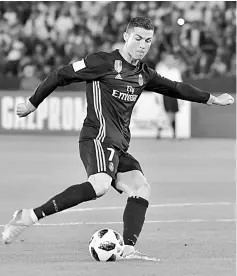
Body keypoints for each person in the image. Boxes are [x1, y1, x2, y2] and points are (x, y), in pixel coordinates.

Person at [2, 17, 234, 261]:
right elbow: (60, 75)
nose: (143, 45)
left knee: (141, 189)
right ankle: (28, 217)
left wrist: (211, 99)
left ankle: (129, 249)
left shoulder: (143, 74)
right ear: (126, 37)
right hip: (97, 137)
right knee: (100, 185)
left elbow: (175, 87)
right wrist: (31, 103)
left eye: (148, 41)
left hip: (119, 145)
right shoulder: (101, 62)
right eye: (138, 39)